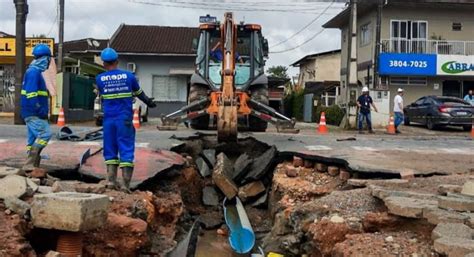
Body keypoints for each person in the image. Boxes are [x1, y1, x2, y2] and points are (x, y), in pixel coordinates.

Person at [96, 48, 156, 192]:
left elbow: (102, 95)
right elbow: (139, 93)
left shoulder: (99, 79)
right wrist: (149, 102)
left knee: (110, 149)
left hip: (109, 120)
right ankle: (125, 185)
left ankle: (111, 181)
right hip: (124, 119)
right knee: (126, 148)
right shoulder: (129, 76)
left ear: (104, 63)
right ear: (117, 61)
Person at [20, 44, 53, 175]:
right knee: (45, 134)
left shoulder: (33, 71)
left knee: (32, 140)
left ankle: (32, 169)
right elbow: (32, 94)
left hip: (30, 112)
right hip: (34, 113)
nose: (49, 62)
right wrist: (40, 110)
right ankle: (29, 164)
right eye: (49, 59)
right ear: (45, 58)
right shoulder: (33, 72)